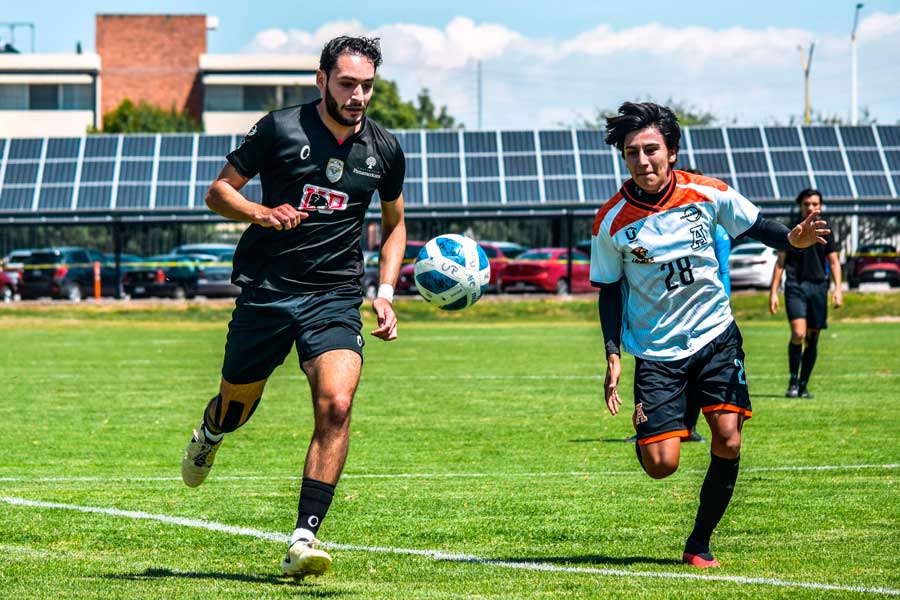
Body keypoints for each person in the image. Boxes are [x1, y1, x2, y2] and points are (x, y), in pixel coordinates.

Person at [180, 36, 407, 579]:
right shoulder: (278, 129)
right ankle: (210, 433)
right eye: (348, 83)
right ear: (321, 79)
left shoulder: (386, 148)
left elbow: (395, 226)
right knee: (236, 407)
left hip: (333, 295)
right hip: (268, 288)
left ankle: (303, 539)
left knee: (337, 403)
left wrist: (385, 292)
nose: (358, 95)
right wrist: (260, 213)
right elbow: (218, 192)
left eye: (367, 86)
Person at [590, 102, 828, 568]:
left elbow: (758, 225)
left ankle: (698, 544)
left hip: (715, 336)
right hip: (657, 352)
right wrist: (613, 352)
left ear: (672, 151)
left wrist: (792, 239)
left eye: (651, 150)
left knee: (729, 440)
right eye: (632, 153)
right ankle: (671, 418)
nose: (643, 161)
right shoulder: (611, 221)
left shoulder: (707, 192)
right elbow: (610, 291)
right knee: (662, 465)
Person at [768, 189, 842, 399]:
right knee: (798, 334)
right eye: (807, 204)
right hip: (795, 287)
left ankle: (803, 385)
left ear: (820, 206)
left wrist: (838, 289)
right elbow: (780, 261)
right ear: (800, 206)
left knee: (812, 338)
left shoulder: (826, 229)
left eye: (815, 204)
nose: (811, 207)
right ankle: (792, 381)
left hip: (818, 287)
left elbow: (835, 262)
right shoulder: (791, 229)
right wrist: (773, 292)